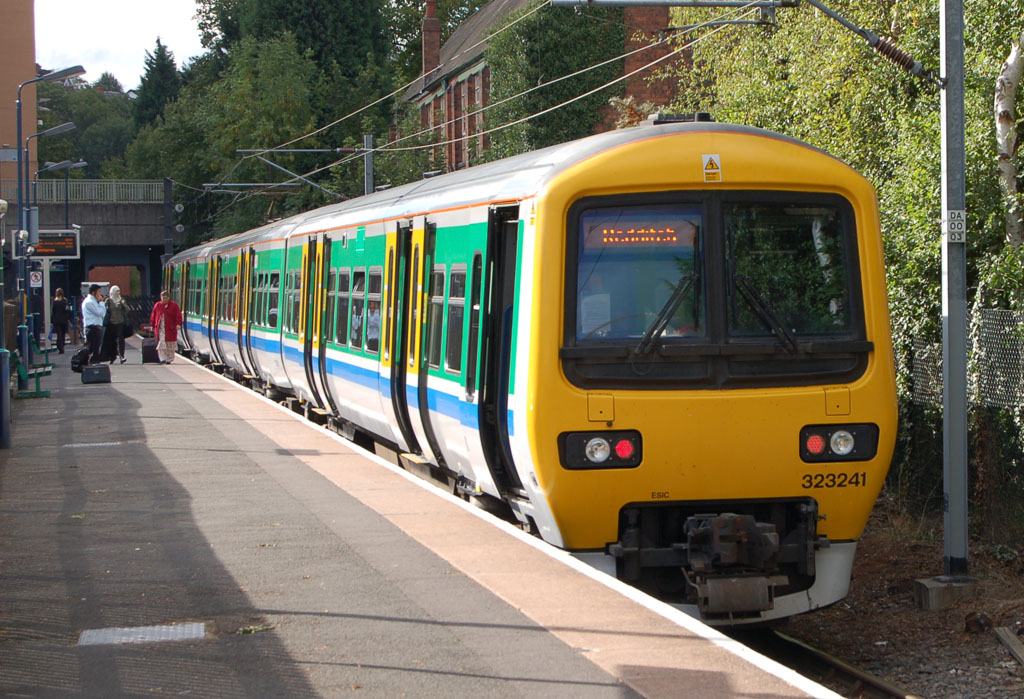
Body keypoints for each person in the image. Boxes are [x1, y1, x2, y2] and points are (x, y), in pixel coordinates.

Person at [149, 290, 182, 364]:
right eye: (163, 298)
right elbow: (153, 315)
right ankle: (162, 358)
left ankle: (169, 359)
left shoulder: (174, 305)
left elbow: (178, 315)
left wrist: (178, 324)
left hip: (170, 328)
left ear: (169, 298)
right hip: (161, 327)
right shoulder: (158, 305)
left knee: (170, 344)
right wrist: (152, 325)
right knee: (161, 343)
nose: (164, 300)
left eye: (166, 298)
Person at [81, 284, 106, 364]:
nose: (100, 294)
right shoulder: (90, 302)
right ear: (93, 292)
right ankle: (91, 365)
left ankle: (93, 364)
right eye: (98, 292)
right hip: (92, 328)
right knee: (93, 350)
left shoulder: (93, 302)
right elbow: (100, 313)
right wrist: (102, 303)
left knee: (95, 349)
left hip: (95, 327)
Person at [104, 285, 129, 364]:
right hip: (111, 323)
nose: (118, 293)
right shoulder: (108, 300)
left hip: (120, 322)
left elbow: (127, 310)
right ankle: (112, 356)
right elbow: (105, 311)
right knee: (111, 340)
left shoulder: (121, 300)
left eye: (119, 291)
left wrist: (123, 304)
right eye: (116, 291)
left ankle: (122, 356)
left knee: (121, 339)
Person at [50, 287, 70, 354]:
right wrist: (67, 317)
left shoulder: (54, 301)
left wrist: (52, 320)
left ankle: (60, 348)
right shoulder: (65, 301)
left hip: (57, 320)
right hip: (64, 320)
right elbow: (67, 310)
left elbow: (52, 311)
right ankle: (62, 346)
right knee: (63, 334)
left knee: (59, 335)